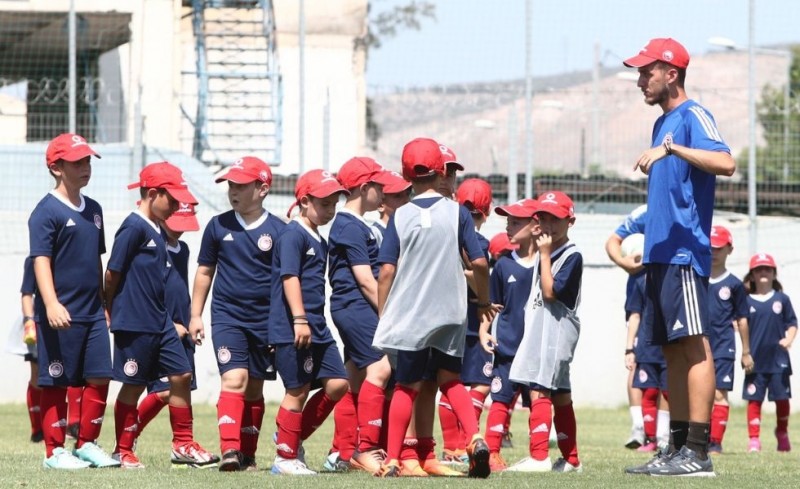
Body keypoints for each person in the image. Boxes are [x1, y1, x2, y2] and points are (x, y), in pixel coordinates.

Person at [622, 37, 735, 477]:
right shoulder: (661, 123)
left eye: (645, 71)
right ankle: (675, 449)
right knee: (671, 352)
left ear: (671, 73)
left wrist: (673, 148)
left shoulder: (692, 116)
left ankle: (699, 452)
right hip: (659, 257)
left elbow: (726, 163)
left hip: (686, 255)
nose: (638, 80)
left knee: (694, 345)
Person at [373, 137, 495, 479]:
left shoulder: (399, 217)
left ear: (404, 173)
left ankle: (394, 458)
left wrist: (385, 313)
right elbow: (480, 263)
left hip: (412, 314)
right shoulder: (457, 213)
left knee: (406, 386)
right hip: (450, 312)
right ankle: (475, 437)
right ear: (441, 170)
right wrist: (483, 301)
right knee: (451, 381)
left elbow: (386, 271)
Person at [106, 161, 218, 469]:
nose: (176, 205)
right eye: (172, 198)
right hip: (136, 321)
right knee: (133, 385)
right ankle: (123, 449)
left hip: (161, 321)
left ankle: (183, 443)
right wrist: (108, 307)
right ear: (153, 193)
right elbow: (112, 272)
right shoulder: (133, 226)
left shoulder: (157, 231)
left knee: (181, 376)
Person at [28, 133, 117, 469]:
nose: (85, 167)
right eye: (77, 162)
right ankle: (54, 451)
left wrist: (104, 301)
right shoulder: (45, 211)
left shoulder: (94, 210)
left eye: (88, 161)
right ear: (56, 167)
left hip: (93, 312)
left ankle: (87, 443)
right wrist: (50, 303)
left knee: (99, 376)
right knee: (56, 380)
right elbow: (40, 260)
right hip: (59, 314)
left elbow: (95, 259)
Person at [189, 156, 284, 471]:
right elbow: (205, 272)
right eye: (231, 184)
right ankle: (229, 451)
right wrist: (196, 315)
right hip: (228, 318)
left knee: (255, 387)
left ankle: (248, 455)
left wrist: (281, 325)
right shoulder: (218, 226)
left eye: (241, 185)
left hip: (265, 322)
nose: (233, 191)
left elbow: (286, 282)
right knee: (234, 379)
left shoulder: (279, 231)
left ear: (262, 188)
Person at [268, 169, 350, 475]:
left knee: (339, 383)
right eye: (324, 203)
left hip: (318, 325)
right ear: (304, 201)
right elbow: (290, 277)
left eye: (334, 204)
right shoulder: (293, 234)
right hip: (295, 326)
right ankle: (285, 459)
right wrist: (299, 319)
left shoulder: (319, 238)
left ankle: (290, 435)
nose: (330, 210)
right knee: (298, 391)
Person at [324, 157, 394, 473]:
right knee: (380, 369)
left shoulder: (354, 224)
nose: (383, 192)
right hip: (356, 307)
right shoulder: (349, 225)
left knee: (354, 376)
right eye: (378, 186)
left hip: (353, 307)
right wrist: (386, 313)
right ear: (365, 188)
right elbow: (365, 278)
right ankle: (366, 449)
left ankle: (345, 450)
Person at [508, 191, 583, 473]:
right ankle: (571, 459)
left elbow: (551, 293)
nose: (549, 225)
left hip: (557, 331)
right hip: (543, 328)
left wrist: (545, 253)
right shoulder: (546, 251)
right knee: (561, 393)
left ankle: (539, 456)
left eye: (556, 218)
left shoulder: (570, 254)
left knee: (540, 389)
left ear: (570, 221)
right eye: (544, 217)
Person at [134, 203, 201, 456]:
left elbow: (179, 288)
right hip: (161, 327)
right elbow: (147, 289)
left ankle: (183, 444)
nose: (181, 232)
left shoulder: (182, 249)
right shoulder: (153, 245)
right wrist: (168, 324)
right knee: (163, 391)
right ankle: (130, 433)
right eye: (177, 224)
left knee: (182, 387)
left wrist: (192, 319)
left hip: (183, 328)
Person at [478, 198, 539, 472]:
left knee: (538, 402)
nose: (509, 227)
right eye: (507, 221)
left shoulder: (547, 263)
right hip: (507, 350)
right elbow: (493, 306)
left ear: (535, 225)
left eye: (516, 222)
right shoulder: (503, 265)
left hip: (537, 351)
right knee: (500, 400)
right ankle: (492, 453)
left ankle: (539, 456)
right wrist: (484, 331)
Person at [438, 178, 493, 463]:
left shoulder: (446, 234)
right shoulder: (479, 243)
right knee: (477, 384)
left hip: (453, 321)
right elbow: (480, 280)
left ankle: (453, 447)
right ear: (488, 212)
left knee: (450, 384)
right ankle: (458, 446)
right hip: (473, 321)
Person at [742, 253, 796, 453]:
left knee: (782, 399)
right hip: (754, 360)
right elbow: (739, 323)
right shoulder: (746, 301)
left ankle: (782, 432)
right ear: (752, 275)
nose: (763, 272)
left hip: (778, 360)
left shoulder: (782, 299)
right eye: (758, 269)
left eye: (767, 269)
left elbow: (792, 324)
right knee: (754, 400)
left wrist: (789, 339)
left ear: (774, 274)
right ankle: (754, 439)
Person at [707, 225, 752, 454]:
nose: (714, 252)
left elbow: (742, 319)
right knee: (699, 393)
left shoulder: (734, 284)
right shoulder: (697, 277)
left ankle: (715, 442)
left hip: (724, 346)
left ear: (729, 250)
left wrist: (746, 351)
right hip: (699, 346)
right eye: (711, 247)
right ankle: (697, 439)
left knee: (719, 393)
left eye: (719, 248)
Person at [605, 204, 647, 449]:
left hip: (670, 296)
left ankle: (666, 431)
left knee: (670, 363)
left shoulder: (685, 207)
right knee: (637, 361)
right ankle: (638, 427)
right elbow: (613, 240)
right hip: (639, 300)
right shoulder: (644, 213)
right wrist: (625, 263)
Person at [626, 268, 670, 453]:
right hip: (647, 348)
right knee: (649, 392)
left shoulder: (674, 281)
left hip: (669, 347)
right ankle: (650, 438)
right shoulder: (641, 281)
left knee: (668, 393)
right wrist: (629, 348)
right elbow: (635, 315)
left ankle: (665, 438)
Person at [370, 171, 411, 248]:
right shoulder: (376, 234)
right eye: (398, 196)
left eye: (408, 194)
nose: (407, 200)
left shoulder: (405, 229)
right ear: (380, 205)